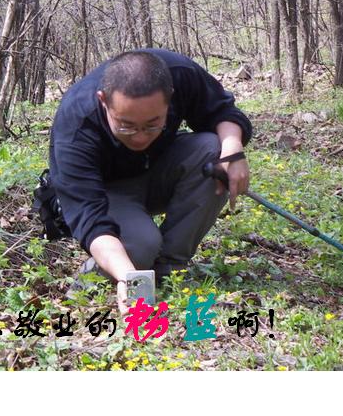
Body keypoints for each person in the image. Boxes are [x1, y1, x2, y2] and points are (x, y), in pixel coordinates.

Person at [48, 48, 252, 315]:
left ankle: (169, 269)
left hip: (158, 169)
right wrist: (128, 278)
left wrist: (233, 151)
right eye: (126, 126)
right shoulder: (75, 125)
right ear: (103, 101)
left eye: (153, 124)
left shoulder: (180, 74)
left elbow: (221, 110)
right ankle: (98, 277)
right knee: (140, 249)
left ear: (170, 98)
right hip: (107, 192)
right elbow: (90, 218)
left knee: (213, 149)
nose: (140, 137)